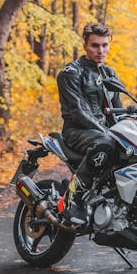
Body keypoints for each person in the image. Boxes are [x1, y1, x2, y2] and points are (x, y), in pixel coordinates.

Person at [56, 23, 123, 225]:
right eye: (95, 45)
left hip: (103, 132)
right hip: (77, 131)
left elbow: (119, 111)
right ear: (85, 45)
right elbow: (77, 112)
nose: (100, 51)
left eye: (104, 45)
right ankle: (73, 197)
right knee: (105, 142)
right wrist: (106, 132)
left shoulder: (110, 73)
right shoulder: (71, 73)